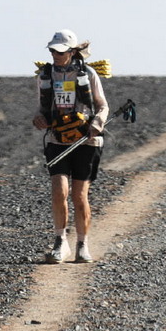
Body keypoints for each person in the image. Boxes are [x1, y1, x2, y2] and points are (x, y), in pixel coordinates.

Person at [32, 29, 110, 264]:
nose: (56, 54)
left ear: (73, 51)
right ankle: (60, 243)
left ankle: (82, 245)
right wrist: (38, 118)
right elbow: (41, 107)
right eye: (53, 50)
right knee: (59, 190)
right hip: (58, 140)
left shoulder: (88, 73)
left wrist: (97, 123)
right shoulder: (45, 76)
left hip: (86, 141)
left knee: (79, 195)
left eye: (61, 51)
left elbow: (102, 106)